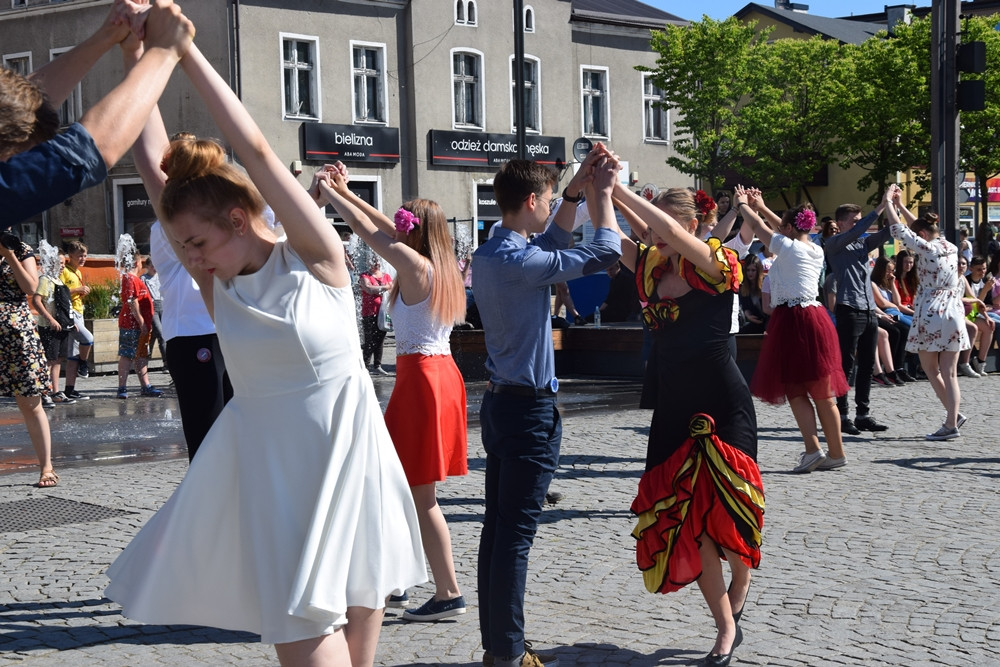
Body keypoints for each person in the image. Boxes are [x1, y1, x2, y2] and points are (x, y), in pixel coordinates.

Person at [104, 33, 425, 667]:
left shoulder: (315, 258)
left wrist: (187, 50)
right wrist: (139, 56)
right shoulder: (216, 281)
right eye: (182, 245)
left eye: (197, 241)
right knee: (300, 632)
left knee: (359, 605)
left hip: (345, 449)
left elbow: (252, 147)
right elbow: (152, 165)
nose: (188, 257)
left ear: (234, 218)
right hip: (273, 468)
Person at [471, 147, 622, 667]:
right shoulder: (520, 260)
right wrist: (602, 198)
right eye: (553, 199)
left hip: (501, 405)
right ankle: (508, 654)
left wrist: (576, 188)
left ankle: (499, 647)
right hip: (529, 412)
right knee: (513, 537)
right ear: (532, 200)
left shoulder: (494, 251)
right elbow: (603, 253)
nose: (558, 205)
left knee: (497, 530)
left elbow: (553, 241)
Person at [613, 184, 762, 667]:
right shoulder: (651, 266)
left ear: (690, 226)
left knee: (732, 521)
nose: (650, 235)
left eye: (658, 226)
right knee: (689, 523)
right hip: (674, 405)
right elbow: (603, 233)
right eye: (650, 229)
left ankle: (741, 583)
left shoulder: (718, 263)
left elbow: (673, 230)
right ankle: (724, 628)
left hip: (723, 401)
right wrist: (598, 190)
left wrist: (620, 188)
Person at [316, 168, 470, 623]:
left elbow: (371, 232)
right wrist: (344, 192)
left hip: (422, 379)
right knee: (399, 486)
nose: (396, 225)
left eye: (405, 223)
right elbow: (382, 227)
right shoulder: (437, 266)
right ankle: (401, 577)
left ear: (417, 234)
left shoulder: (417, 267)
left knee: (420, 496)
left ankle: (448, 592)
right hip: (434, 376)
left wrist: (333, 195)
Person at [735, 188, 848, 474]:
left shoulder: (787, 247)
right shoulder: (815, 249)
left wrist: (743, 206)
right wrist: (761, 205)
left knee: (796, 390)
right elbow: (783, 229)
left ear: (787, 228)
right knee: (824, 392)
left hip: (793, 319)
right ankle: (836, 452)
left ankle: (812, 450)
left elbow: (762, 228)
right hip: (817, 317)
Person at [884, 185, 968, 440]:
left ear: (922, 234)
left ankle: (951, 423)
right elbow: (915, 228)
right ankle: (953, 415)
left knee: (931, 369)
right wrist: (900, 206)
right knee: (951, 372)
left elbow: (900, 230)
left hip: (932, 311)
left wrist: (889, 203)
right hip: (954, 309)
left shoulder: (927, 249)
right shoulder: (951, 246)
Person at [824, 198, 890, 435]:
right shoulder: (834, 243)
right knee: (846, 364)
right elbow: (860, 231)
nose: (858, 225)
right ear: (840, 223)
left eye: (859, 221)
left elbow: (885, 234)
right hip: (848, 308)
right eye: (854, 221)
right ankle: (842, 414)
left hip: (868, 308)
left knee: (867, 364)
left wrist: (892, 207)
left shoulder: (861, 243)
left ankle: (863, 414)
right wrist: (880, 207)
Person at [31, 247, 76, 406]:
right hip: (49, 327)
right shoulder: (45, 280)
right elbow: (36, 301)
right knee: (49, 361)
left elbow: (65, 305)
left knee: (57, 360)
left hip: (61, 327)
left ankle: (56, 391)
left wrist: (72, 323)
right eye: (59, 262)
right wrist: (50, 319)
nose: (62, 265)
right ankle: (44, 393)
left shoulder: (59, 280)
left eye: (64, 263)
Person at [116, 254, 162, 399]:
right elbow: (132, 301)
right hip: (131, 325)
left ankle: (145, 386)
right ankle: (122, 388)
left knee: (141, 355)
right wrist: (141, 321)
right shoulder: (129, 278)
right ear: (137, 262)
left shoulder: (134, 278)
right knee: (127, 355)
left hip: (140, 325)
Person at [59, 240, 94, 399]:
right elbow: (59, 292)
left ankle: (69, 389)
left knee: (72, 355)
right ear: (70, 256)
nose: (83, 258)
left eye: (85, 255)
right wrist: (77, 289)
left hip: (78, 312)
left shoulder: (78, 272)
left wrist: (81, 293)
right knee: (88, 339)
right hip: (70, 313)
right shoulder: (65, 271)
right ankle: (84, 363)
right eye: (80, 256)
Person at [359, 257, 392, 374]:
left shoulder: (386, 276)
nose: (376, 264)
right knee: (369, 340)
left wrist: (377, 289)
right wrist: (384, 287)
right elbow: (368, 289)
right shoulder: (364, 276)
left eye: (378, 262)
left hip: (383, 313)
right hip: (369, 312)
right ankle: (365, 366)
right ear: (368, 262)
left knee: (380, 339)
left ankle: (377, 365)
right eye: (373, 261)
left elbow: (392, 288)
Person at [140, 255, 167, 362]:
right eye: (152, 266)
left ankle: (145, 359)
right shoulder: (143, 278)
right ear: (147, 266)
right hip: (152, 307)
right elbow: (141, 294)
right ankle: (167, 363)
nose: (155, 268)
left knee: (156, 335)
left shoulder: (160, 277)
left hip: (163, 305)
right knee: (161, 334)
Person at [738, 255, 768, 334]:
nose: (750, 273)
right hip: (756, 322)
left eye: (753, 270)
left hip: (769, 321)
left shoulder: (766, 283)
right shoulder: (743, 287)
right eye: (748, 270)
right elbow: (744, 305)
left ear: (758, 271)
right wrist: (747, 314)